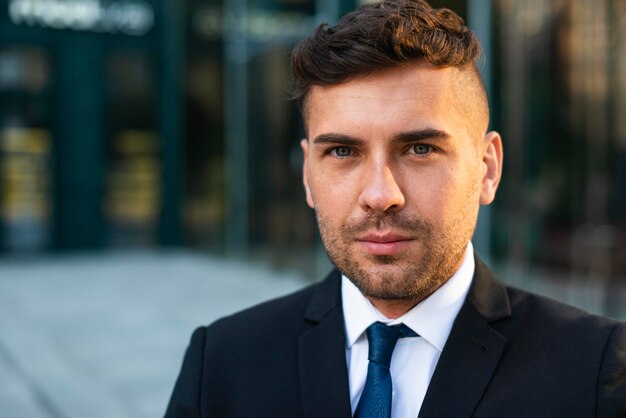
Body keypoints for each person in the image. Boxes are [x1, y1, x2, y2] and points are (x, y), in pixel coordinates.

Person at [165, 1, 626, 417]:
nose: (381, 195)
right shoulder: (223, 362)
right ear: (307, 175)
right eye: (343, 152)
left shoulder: (593, 369)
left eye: (420, 149)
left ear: (487, 169)